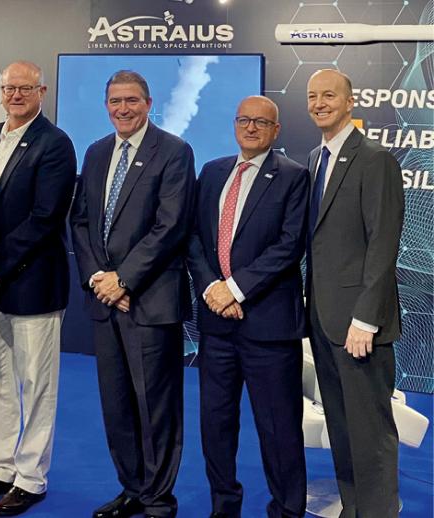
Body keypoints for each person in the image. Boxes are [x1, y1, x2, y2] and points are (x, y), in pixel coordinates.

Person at [70, 70, 195, 518]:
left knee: (155, 406)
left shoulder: (175, 152)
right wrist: (98, 280)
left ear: (149, 103)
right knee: (117, 405)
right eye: (116, 101)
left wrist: (123, 280)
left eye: (132, 101)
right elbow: (80, 222)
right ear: (106, 105)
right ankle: (133, 489)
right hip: (105, 303)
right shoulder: (97, 151)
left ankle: (159, 500)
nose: (123, 108)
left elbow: (170, 226)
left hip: (149, 302)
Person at [0, 61, 76, 516]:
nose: (15, 95)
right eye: (9, 88)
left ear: (41, 91)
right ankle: (0, 468)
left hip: (32, 282)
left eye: (24, 88)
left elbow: (46, 217)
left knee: (36, 384)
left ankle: (30, 478)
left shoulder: (55, 144)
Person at [186, 96, 309, 518]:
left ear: (276, 132)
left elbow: (290, 246)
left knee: (279, 431)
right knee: (216, 427)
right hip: (217, 328)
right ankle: (225, 507)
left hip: (269, 328)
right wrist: (212, 290)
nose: (251, 128)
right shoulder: (213, 171)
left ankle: (288, 511)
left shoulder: (294, 177)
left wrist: (235, 290)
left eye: (261, 122)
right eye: (243, 120)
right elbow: (195, 239)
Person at [305, 69, 404, 518]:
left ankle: (379, 511)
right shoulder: (314, 159)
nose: (319, 102)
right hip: (323, 321)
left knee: (370, 431)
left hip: (359, 326)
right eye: (312, 96)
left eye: (329, 95)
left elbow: (383, 242)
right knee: (342, 428)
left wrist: (366, 319)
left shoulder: (374, 158)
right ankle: (354, 507)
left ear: (350, 102)